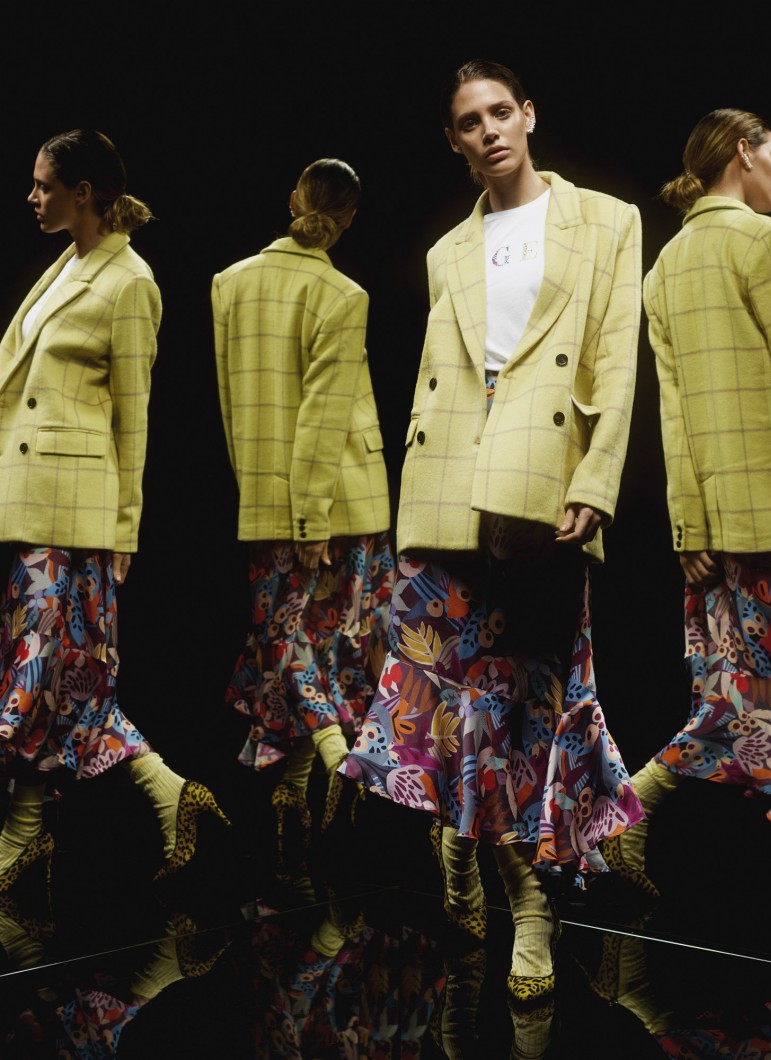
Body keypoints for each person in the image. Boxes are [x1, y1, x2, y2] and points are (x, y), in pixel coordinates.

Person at [338, 59, 644, 1006]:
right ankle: (500, 877)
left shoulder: (606, 221)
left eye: (500, 112)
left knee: (527, 701)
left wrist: (595, 479)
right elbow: (441, 375)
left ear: (528, 115)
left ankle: (528, 903)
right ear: (454, 141)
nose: (489, 132)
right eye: (470, 122)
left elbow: (615, 358)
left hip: (538, 477)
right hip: (446, 480)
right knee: (438, 692)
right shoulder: (447, 251)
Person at [0, 128, 229, 889]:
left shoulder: (130, 282)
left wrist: (125, 527)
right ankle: (166, 794)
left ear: (84, 192)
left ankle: (25, 832)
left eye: (44, 185)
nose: (32, 197)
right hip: (29, 499)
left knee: (40, 672)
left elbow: (136, 416)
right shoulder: (67, 265)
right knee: (66, 678)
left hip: (76, 512)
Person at [602, 108, 771, 946]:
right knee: (760, 695)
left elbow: (671, 416)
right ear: (741, 153)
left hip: (717, 524)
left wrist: (688, 525)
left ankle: (631, 809)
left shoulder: (666, 267)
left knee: (744, 694)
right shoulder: (767, 242)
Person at [212, 158, 394, 889]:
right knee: (324, 646)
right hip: (341, 503)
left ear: (293, 201)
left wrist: (262, 498)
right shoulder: (343, 294)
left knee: (285, 643)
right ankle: (337, 761)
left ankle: (292, 793)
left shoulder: (229, 283)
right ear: (348, 221)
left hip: (267, 498)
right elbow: (323, 415)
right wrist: (310, 518)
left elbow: (233, 409)